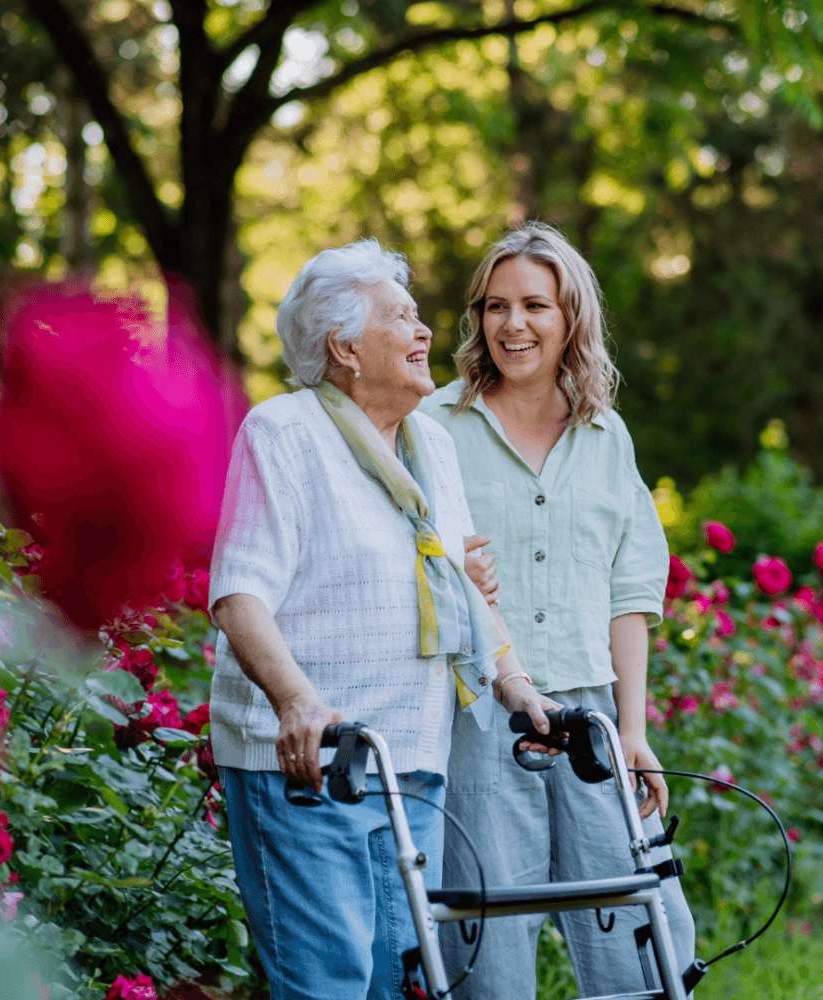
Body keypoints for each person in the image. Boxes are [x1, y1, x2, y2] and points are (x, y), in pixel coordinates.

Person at [208, 239, 557, 1000]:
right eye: (401, 317)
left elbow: (462, 588)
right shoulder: (286, 434)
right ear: (344, 346)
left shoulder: (429, 441)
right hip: (309, 766)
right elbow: (240, 593)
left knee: (403, 984)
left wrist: (515, 682)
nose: (425, 331)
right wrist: (297, 700)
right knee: (329, 983)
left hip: (410, 764)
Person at [418, 223, 696, 1000]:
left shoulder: (607, 437)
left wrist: (632, 730)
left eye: (535, 305)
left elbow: (631, 593)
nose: (513, 324)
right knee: (486, 936)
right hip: (478, 717)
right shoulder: (433, 428)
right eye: (496, 306)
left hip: (591, 719)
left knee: (638, 933)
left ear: (571, 316)